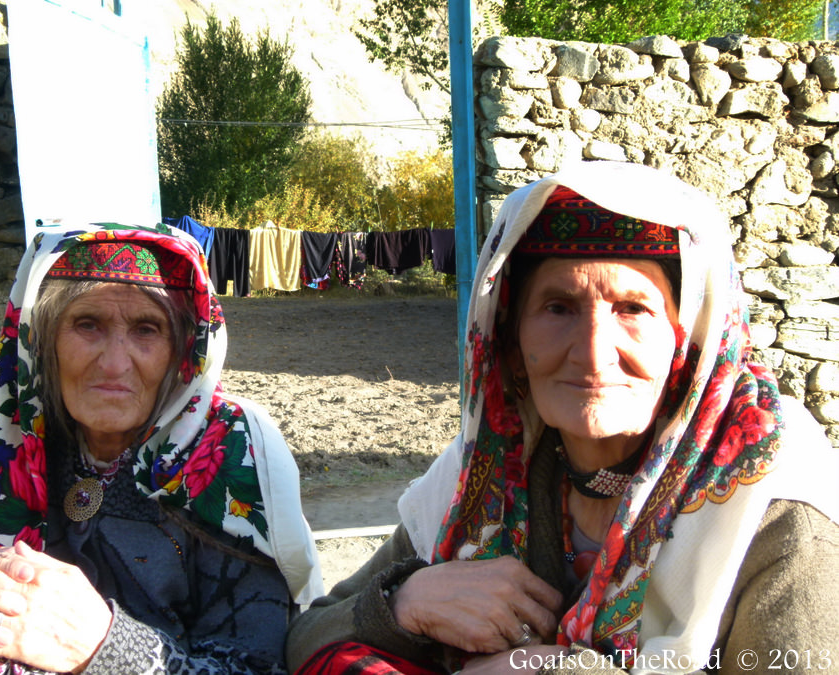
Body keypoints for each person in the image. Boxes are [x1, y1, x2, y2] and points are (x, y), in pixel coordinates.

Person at [286, 161, 839, 674]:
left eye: (633, 309)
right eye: (558, 308)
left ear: (688, 342)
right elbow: (307, 635)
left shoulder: (768, 507)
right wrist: (405, 602)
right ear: (508, 340)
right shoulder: (484, 474)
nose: (593, 354)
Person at [0, 223, 322, 674]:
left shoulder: (231, 456)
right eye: (87, 325)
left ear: (184, 350)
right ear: (42, 341)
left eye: (146, 329)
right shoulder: (10, 446)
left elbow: (258, 666)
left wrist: (102, 646)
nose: (115, 363)